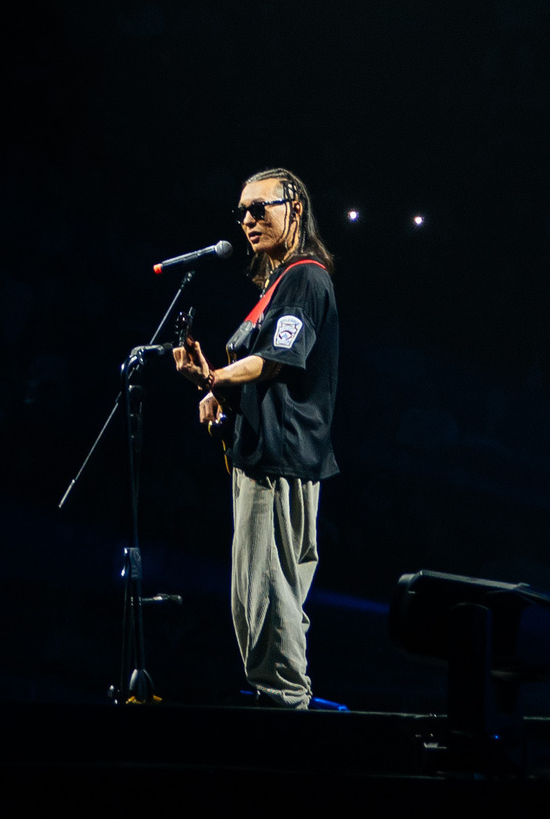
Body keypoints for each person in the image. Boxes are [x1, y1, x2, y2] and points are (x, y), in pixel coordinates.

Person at [173, 167, 340, 709]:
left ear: (294, 206)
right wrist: (222, 399)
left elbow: (278, 360)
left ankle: (288, 713)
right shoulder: (275, 285)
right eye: (241, 211)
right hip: (260, 457)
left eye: (259, 208)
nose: (247, 220)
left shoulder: (305, 278)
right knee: (261, 597)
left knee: (268, 597)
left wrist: (216, 378)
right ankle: (284, 702)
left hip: (280, 461)